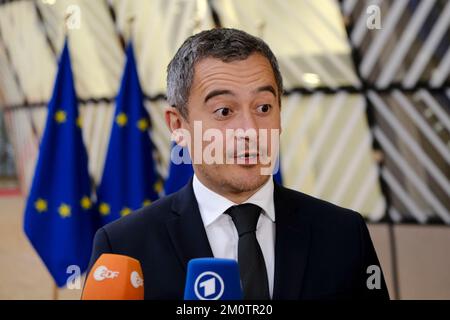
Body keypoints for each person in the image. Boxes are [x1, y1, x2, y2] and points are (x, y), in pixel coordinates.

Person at [87, 28, 389, 300]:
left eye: (264, 107)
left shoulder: (344, 235)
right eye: (224, 111)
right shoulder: (124, 248)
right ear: (178, 125)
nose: (250, 130)